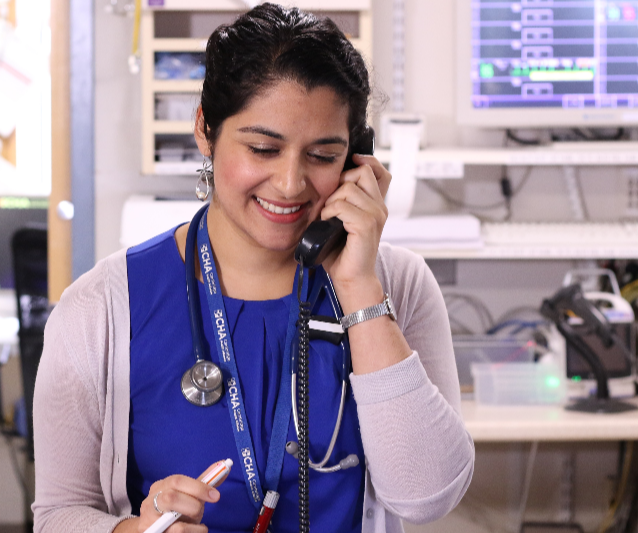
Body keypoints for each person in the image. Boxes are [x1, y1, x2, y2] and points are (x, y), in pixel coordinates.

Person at [32, 4, 475, 533]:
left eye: (323, 155)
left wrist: (358, 288)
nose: (290, 184)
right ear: (206, 129)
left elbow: (426, 497)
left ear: (358, 158)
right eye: (263, 148)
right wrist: (135, 531)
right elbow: (58, 516)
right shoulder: (100, 308)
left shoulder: (395, 286)